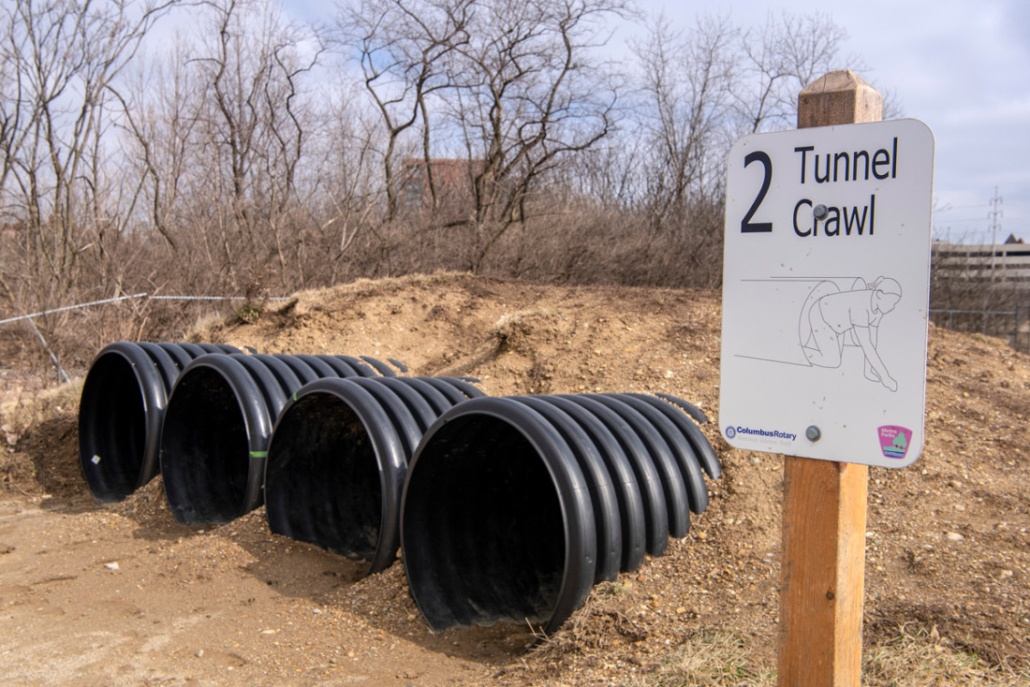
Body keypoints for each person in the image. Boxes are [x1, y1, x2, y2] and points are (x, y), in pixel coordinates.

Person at [799, 276, 902, 391]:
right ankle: (799, 353)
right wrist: (885, 377)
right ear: (879, 294)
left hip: (837, 325)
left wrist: (868, 370)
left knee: (836, 356)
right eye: (891, 302)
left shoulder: (878, 310)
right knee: (832, 361)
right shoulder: (862, 306)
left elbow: (873, 339)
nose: (893, 307)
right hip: (821, 316)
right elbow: (866, 345)